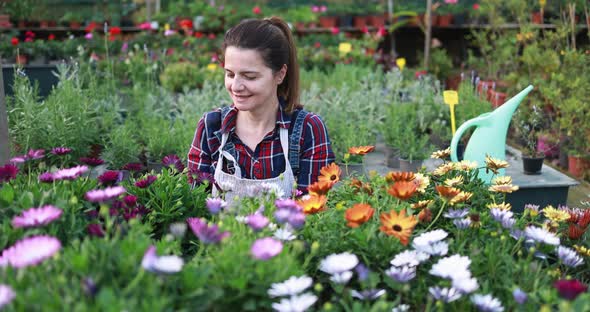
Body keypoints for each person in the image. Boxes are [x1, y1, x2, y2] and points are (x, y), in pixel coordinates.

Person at [187, 17, 335, 200]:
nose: (236, 86)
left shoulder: (306, 129)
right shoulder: (212, 127)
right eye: (230, 74)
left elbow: (314, 210)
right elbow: (194, 203)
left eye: (249, 77)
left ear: (280, 74)